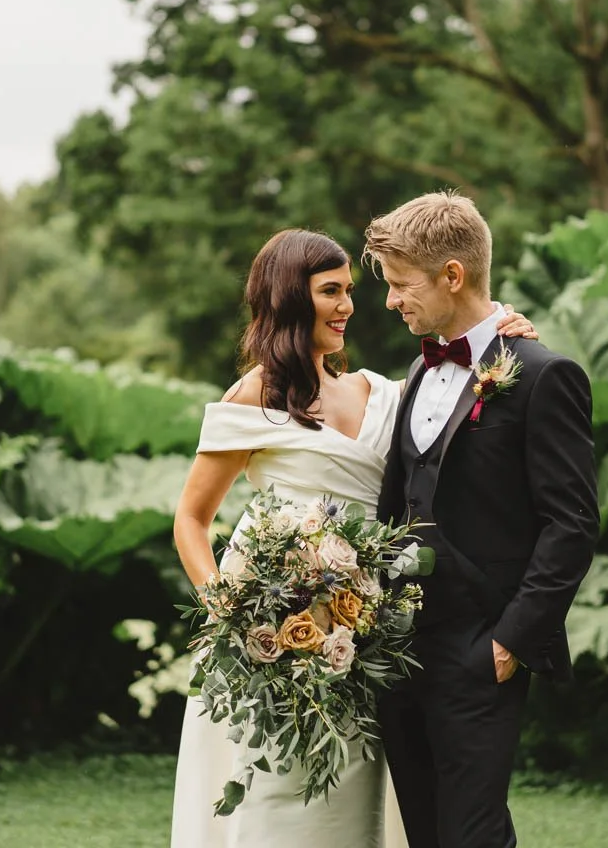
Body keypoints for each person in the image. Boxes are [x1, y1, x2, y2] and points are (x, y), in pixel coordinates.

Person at [168, 228, 538, 848]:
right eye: (330, 292)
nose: (348, 306)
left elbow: (452, 409)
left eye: (350, 291)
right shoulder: (255, 395)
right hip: (273, 636)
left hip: (366, 633)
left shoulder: (383, 392)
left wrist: (502, 333)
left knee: (359, 793)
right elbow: (191, 520)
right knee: (275, 792)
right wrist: (232, 615)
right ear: (290, 298)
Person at [366, 193, 599, 848]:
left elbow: (572, 523)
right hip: (401, 647)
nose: (390, 301)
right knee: (425, 832)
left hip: (480, 648)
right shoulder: (418, 368)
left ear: (452, 276)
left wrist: (510, 643)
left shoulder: (544, 375)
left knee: (473, 835)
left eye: (399, 285)